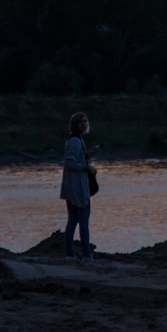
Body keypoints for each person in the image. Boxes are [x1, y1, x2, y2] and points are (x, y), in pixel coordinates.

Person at [59, 111, 96, 262]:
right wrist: (86, 168)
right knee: (83, 222)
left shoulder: (76, 140)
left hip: (73, 187)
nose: (84, 124)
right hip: (77, 188)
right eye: (81, 122)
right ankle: (86, 255)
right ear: (74, 125)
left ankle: (70, 255)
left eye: (85, 122)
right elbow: (69, 163)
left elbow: (74, 160)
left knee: (73, 221)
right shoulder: (75, 141)